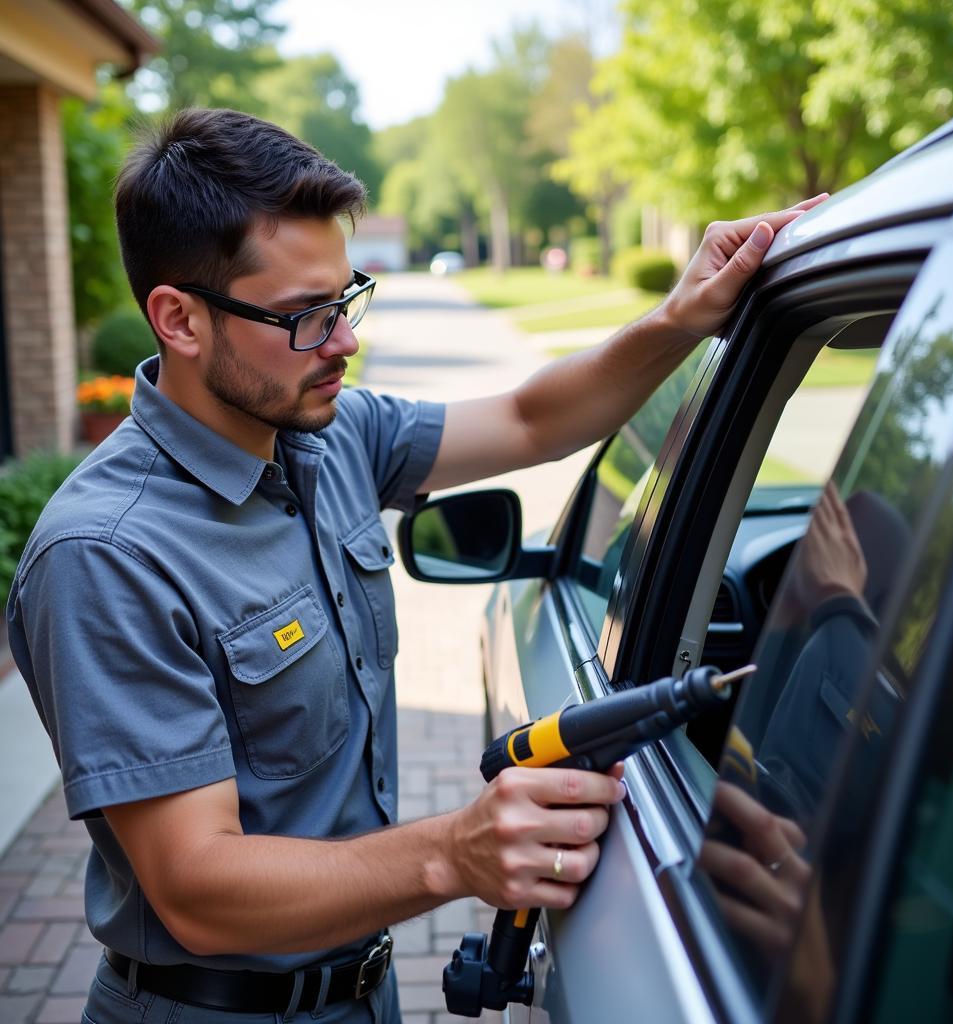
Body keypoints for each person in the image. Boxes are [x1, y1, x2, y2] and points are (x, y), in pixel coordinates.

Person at [5, 108, 825, 1023]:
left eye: (344, 298)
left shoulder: (328, 435)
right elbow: (195, 886)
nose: (343, 341)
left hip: (365, 993)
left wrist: (679, 319)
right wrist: (450, 854)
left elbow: (528, 420)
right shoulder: (108, 555)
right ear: (179, 319)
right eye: (306, 317)